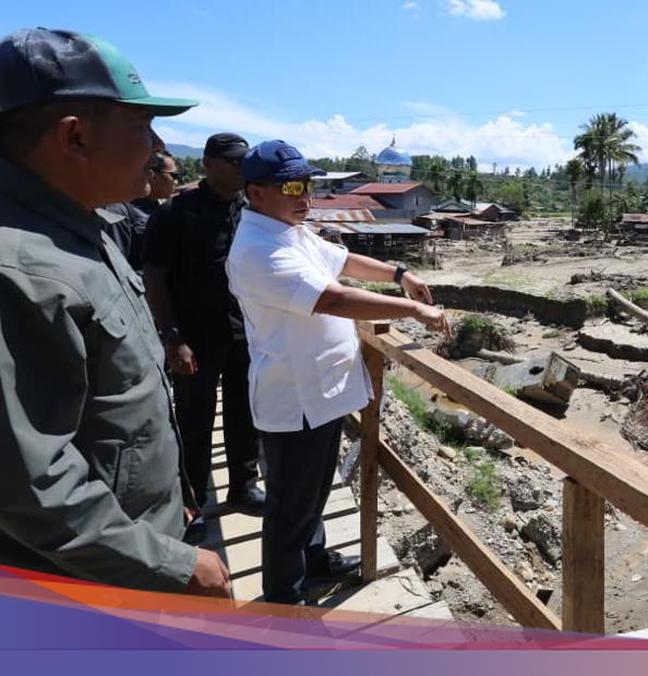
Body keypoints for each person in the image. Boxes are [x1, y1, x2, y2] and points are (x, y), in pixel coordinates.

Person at [0, 27, 230, 597]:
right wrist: (169, 565)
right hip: (87, 584)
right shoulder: (21, 271)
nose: (158, 149)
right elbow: (28, 486)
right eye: (142, 126)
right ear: (74, 137)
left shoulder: (85, 228)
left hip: (126, 554)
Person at [226, 140, 450, 604]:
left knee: (315, 491)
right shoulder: (258, 250)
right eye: (291, 185)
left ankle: (315, 560)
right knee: (290, 507)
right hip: (296, 399)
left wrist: (398, 272)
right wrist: (412, 309)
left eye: (306, 183)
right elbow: (334, 298)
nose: (303, 194)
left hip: (321, 393)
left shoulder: (291, 231)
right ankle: (285, 600)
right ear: (256, 192)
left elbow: (343, 261)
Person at [143, 133, 265, 533]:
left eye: (243, 162)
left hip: (245, 332)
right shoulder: (177, 213)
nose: (240, 168)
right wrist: (172, 336)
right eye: (232, 162)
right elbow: (155, 277)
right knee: (194, 420)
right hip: (194, 337)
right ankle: (193, 500)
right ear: (209, 164)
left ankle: (244, 487)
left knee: (244, 412)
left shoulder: (253, 209)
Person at [132, 149, 178, 216]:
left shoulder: (158, 207)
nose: (176, 182)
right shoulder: (130, 214)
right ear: (153, 175)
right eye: (174, 175)